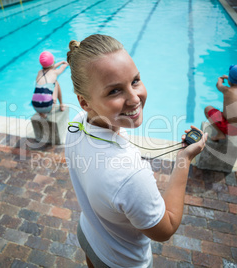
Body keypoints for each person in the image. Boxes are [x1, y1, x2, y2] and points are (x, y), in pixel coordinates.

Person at [65, 34, 207, 268]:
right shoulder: (129, 175)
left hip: (89, 234)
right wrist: (185, 158)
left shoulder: (76, 124)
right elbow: (166, 228)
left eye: (135, 81)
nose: (134, 98)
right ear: (85, 102)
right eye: (114, 91)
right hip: (122, 262)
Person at [204, 64, 237, 141]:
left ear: (230, 80)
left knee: (208, 109)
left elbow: (218, 85)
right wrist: (229, 78)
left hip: (231, 129)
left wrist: (220, 79)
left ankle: (220, 134)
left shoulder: (227, 90)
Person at [31, 51, 68, 118]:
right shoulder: (54, 73)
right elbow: (61, 68)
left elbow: (50, 67)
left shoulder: (39, 72)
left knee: (42, 90)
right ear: (53, 62)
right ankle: (61, 105)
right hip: (48, 107)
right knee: (56, 83)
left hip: (35, 106)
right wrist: (65, 64)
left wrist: (61, 62)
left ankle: (42, 114)